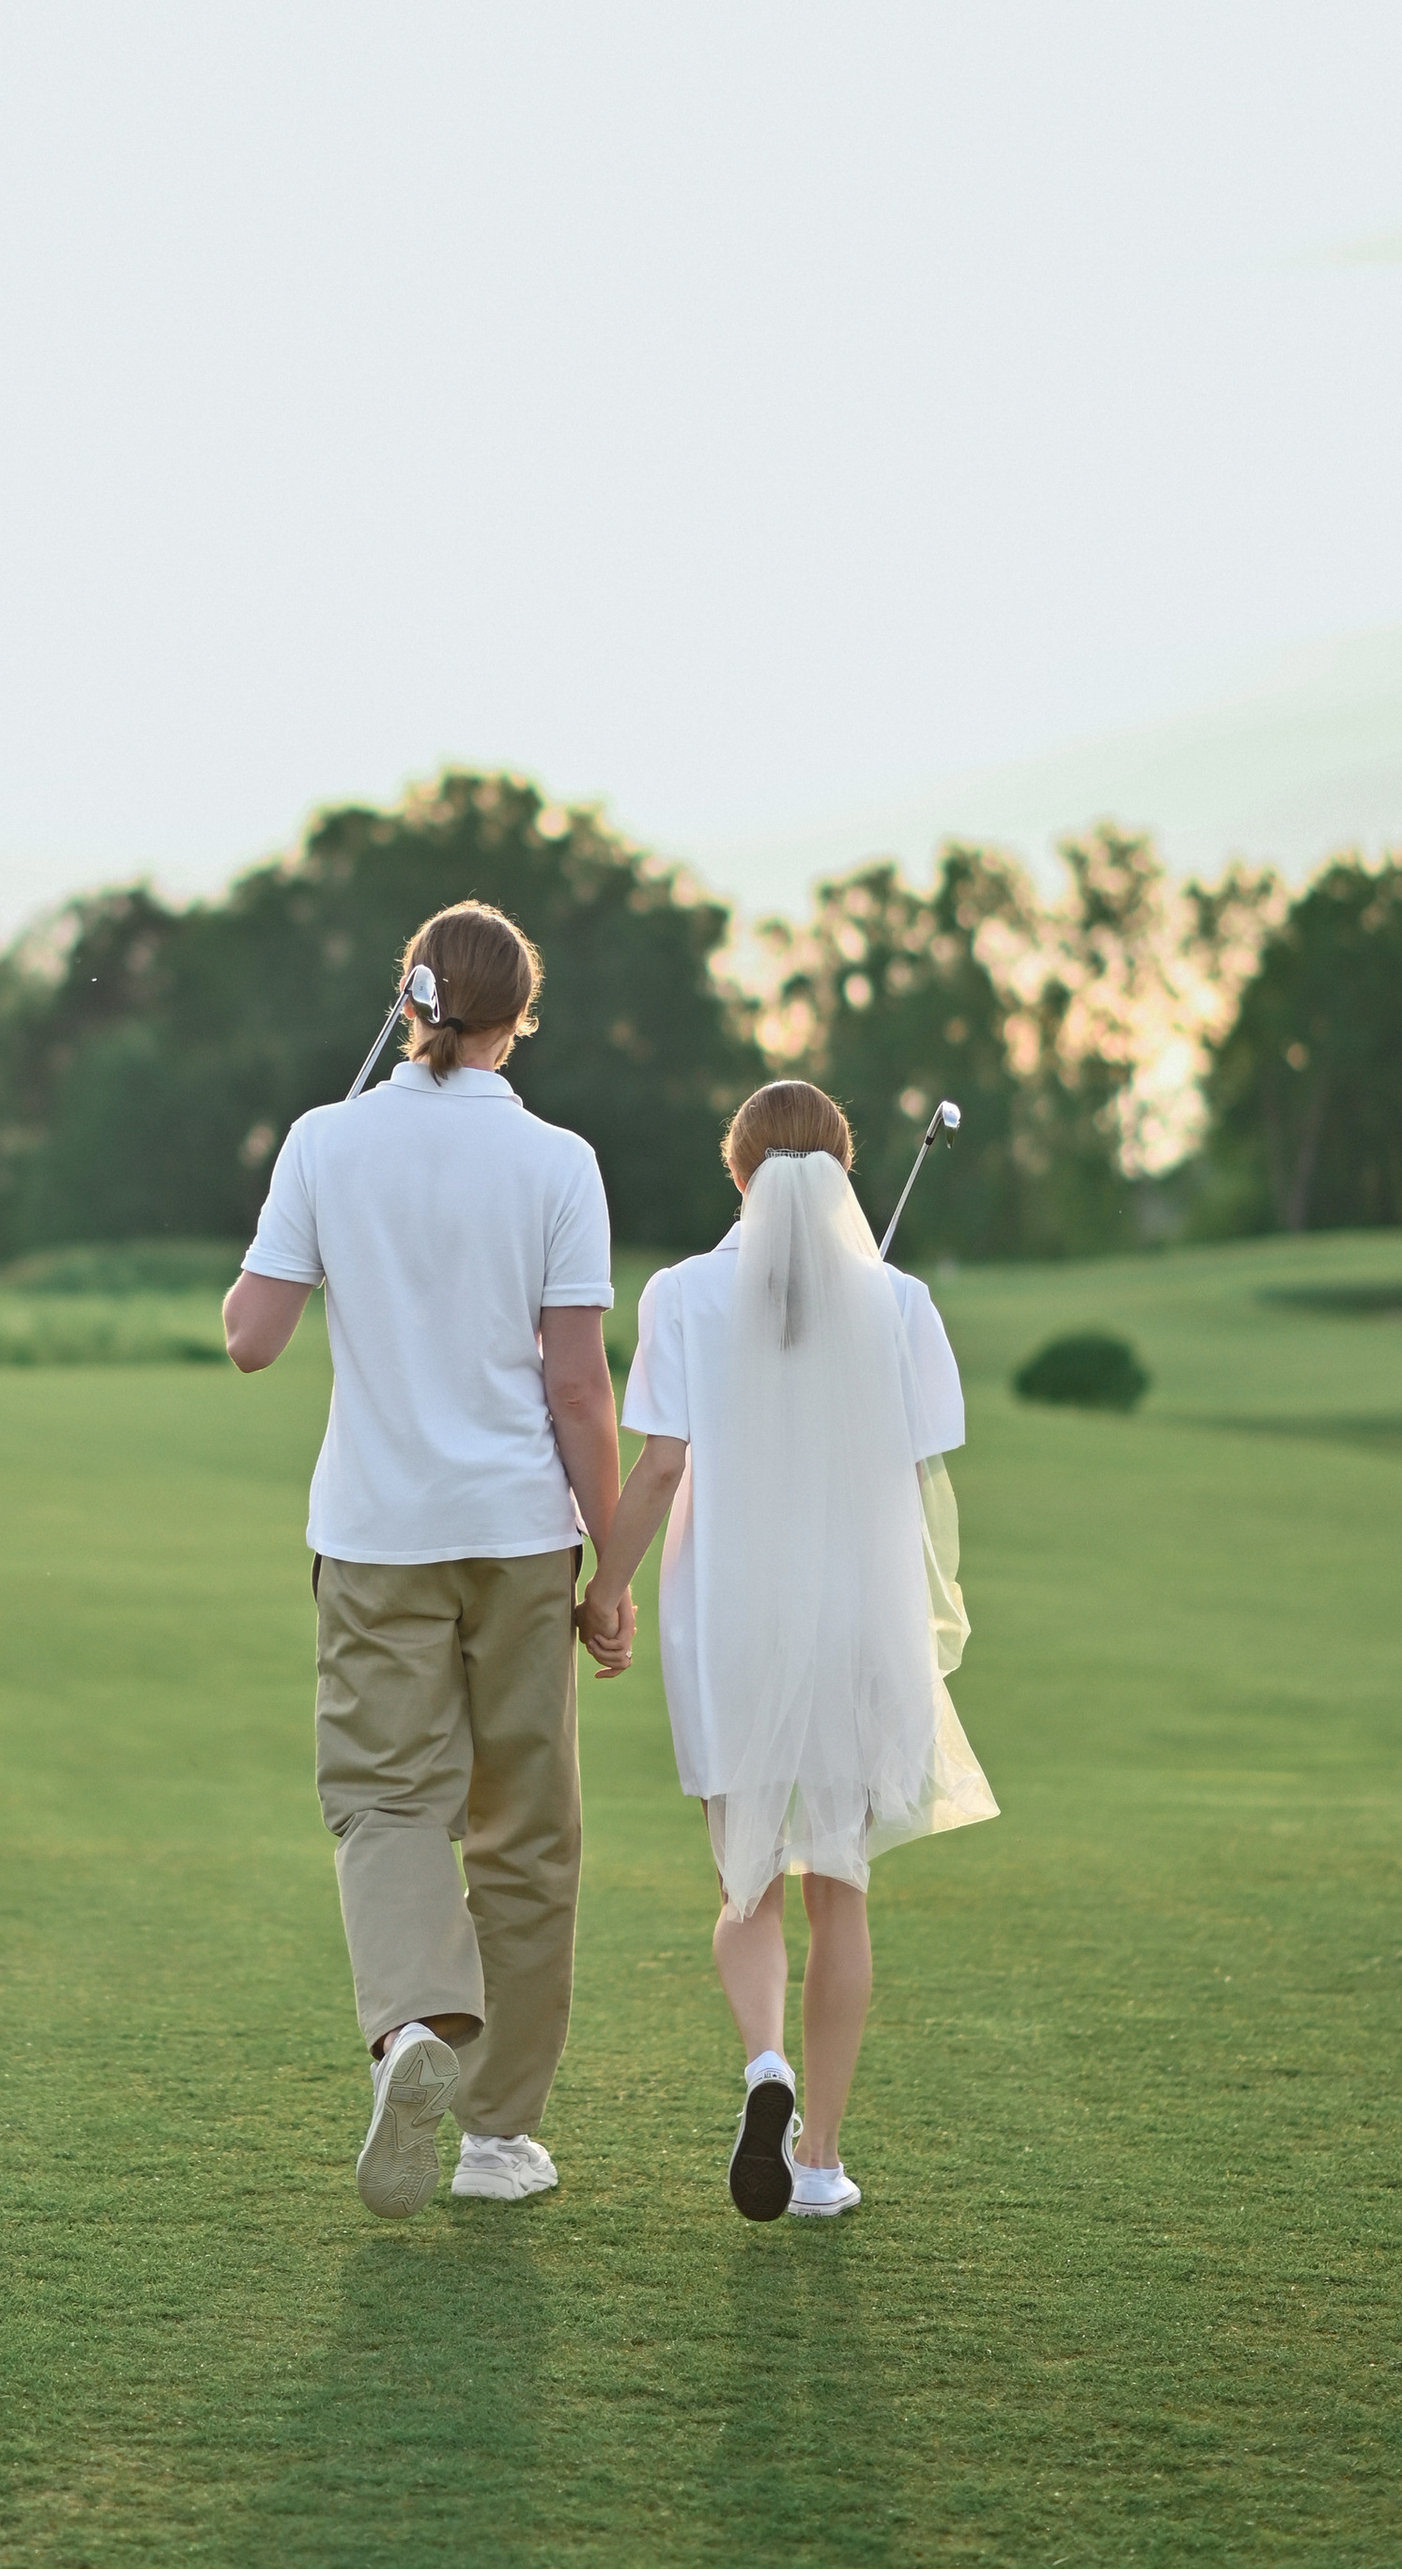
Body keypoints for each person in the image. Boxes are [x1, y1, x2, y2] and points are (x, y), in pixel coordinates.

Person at [222, 901, 624, 2219]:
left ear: (410, 1003)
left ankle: (409, 2034)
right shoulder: (562, 1159)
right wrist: (610, 1563)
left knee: (388, 1801)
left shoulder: (323, 1141)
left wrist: (287, 1223)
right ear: (522, 1014)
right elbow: (579, 1388)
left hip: (378, 1535)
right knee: (526, 1834)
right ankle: (498, 2136)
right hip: (518, 1537)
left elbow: (250, 1337)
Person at [582, 1078, 993, 2221]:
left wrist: (603, 1588)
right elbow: (917, 1479)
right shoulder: (899, 1301)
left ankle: (764, 2064)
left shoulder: (679, 1293)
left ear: (738, 1173)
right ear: (845, 1171)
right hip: (857, 1620)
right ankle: (816, 2159)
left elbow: (660, 1467)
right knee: (840, 1894)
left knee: (745, 1879)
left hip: (729, 1617)